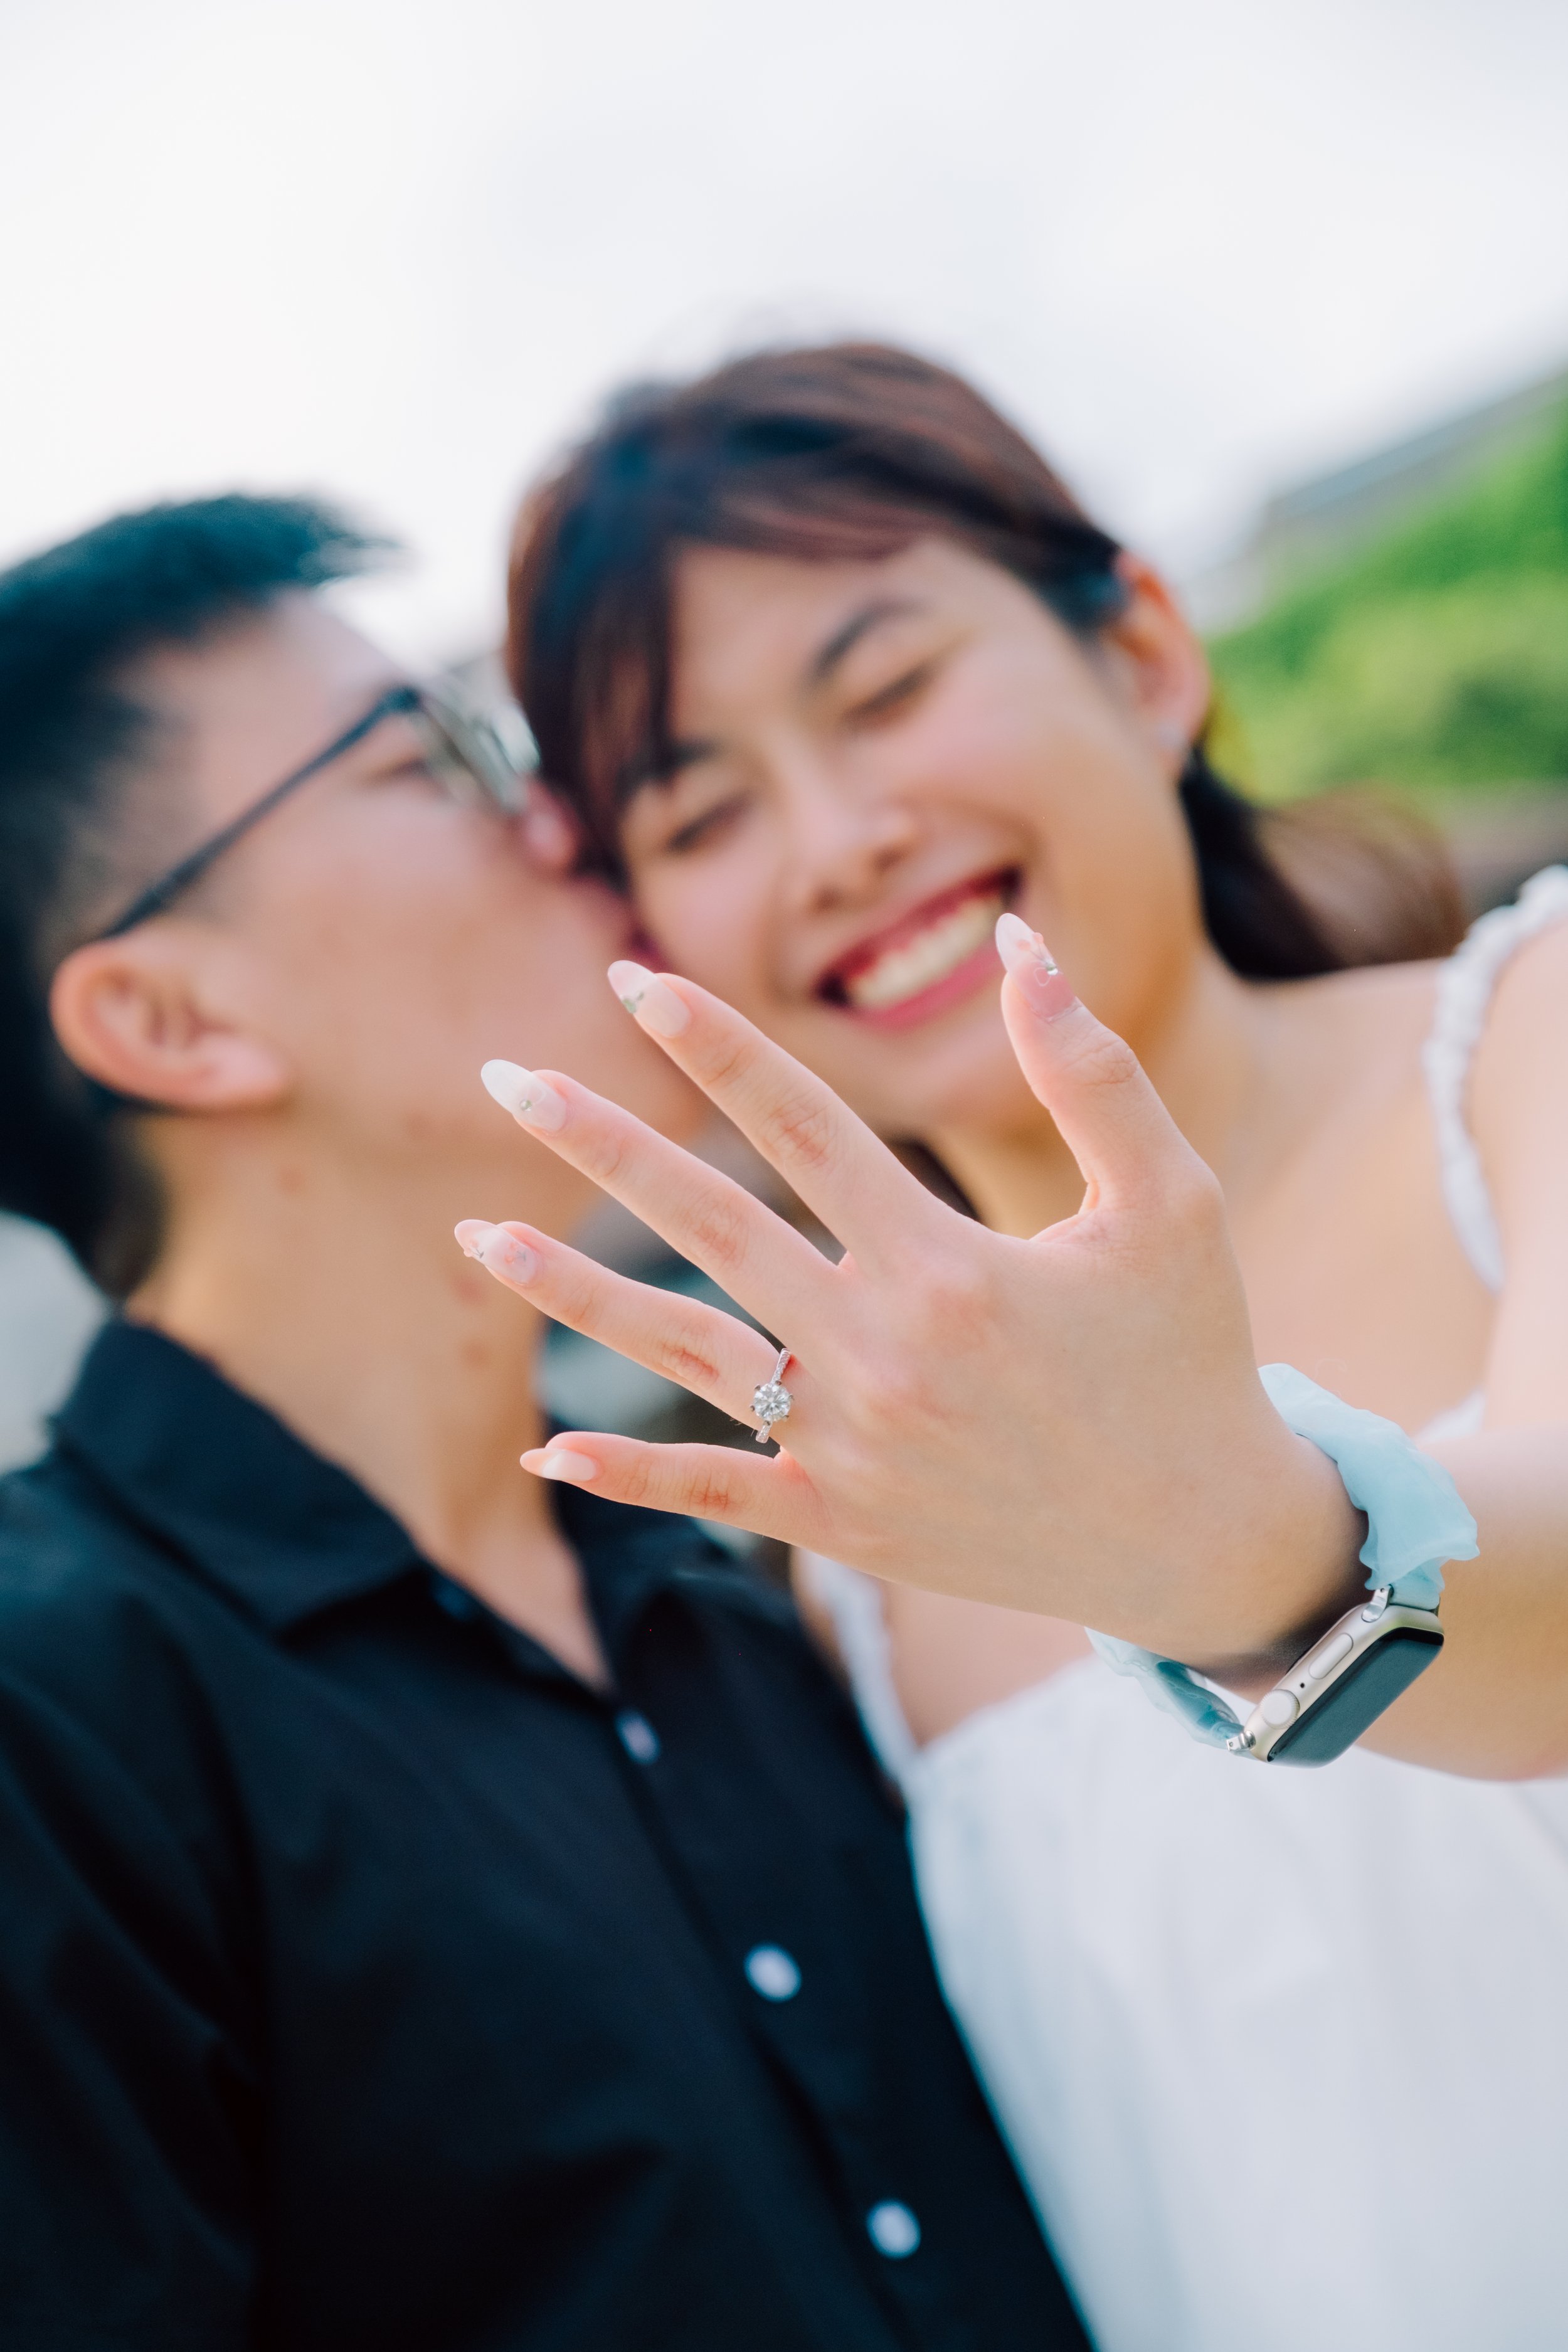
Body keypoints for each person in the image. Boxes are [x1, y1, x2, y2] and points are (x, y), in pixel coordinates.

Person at [470, 345, 1568, 2349]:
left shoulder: (1529, 1041)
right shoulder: (845, 1543)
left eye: (882, 690)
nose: (832, 839)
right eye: (702, 808)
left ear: (1143, 655)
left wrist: (1225, 1543)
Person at [0, 494, 1091, 2351]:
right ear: (174, 1023)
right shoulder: (54, 1725)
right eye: (432, 753)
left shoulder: (750, 1595)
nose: (569, 814)